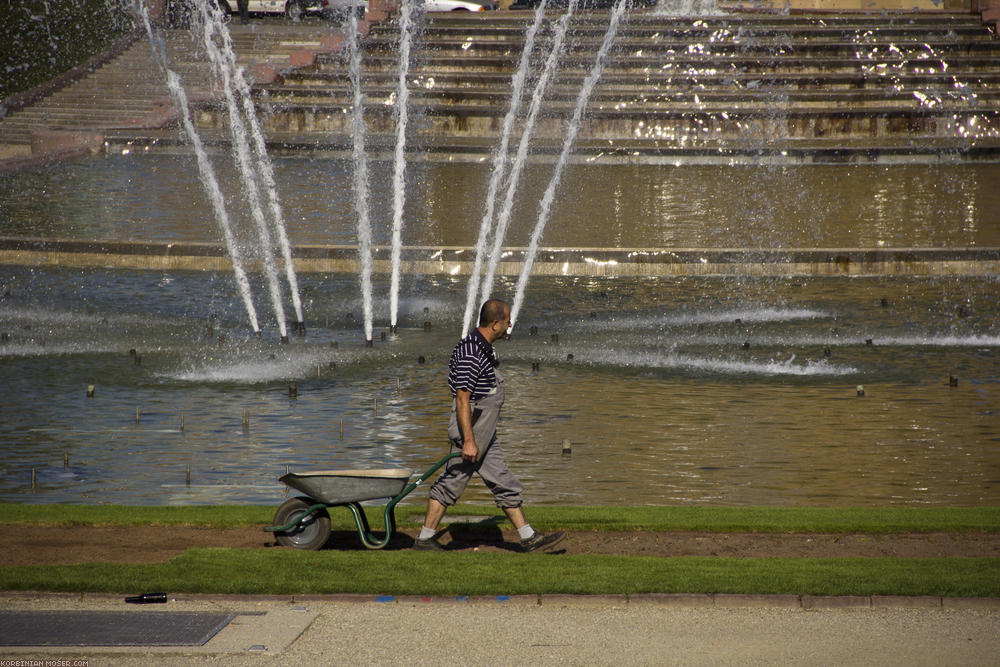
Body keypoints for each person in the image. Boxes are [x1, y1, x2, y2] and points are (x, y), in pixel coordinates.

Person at [415, 299, 565, 553]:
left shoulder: (483, 347)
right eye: (507, 322)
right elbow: (463, 398)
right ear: (495, 324)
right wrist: (470, 440)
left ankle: (529, 537)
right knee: (453, 479)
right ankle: (424, 539)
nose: (509, 326)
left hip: (484, 429)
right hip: (472, 429)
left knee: (501, 479)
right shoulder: (471, 352)